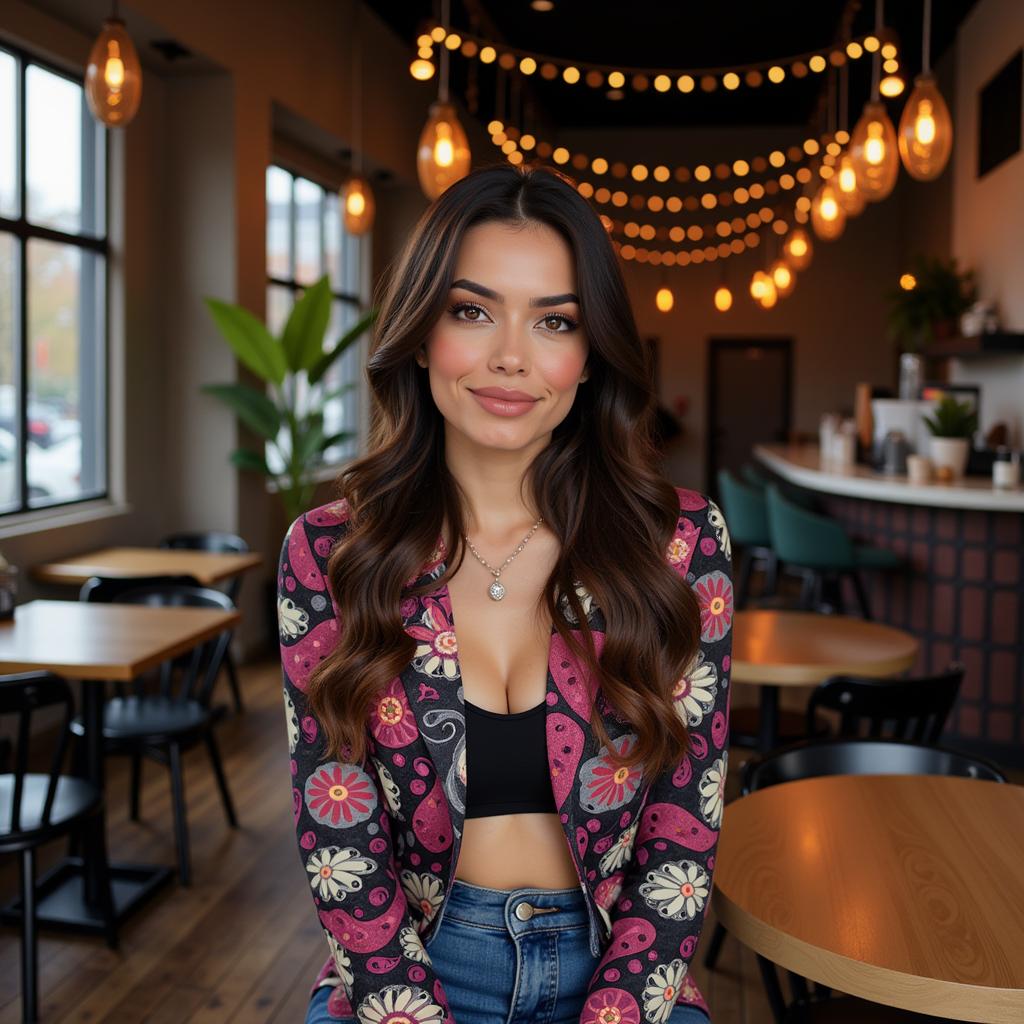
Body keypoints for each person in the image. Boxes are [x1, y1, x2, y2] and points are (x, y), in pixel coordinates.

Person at [277, 162, 733, 1024]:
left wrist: (622, 1009)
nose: (511, 357)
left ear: (591, 353)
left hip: (624, 970)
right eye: (472, 310)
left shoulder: (681, 543)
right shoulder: (332, 551)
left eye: (554, 320)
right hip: (411, 971)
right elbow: (338, 832)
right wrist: (405, 1006)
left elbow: (686, 819)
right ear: (420, 332)